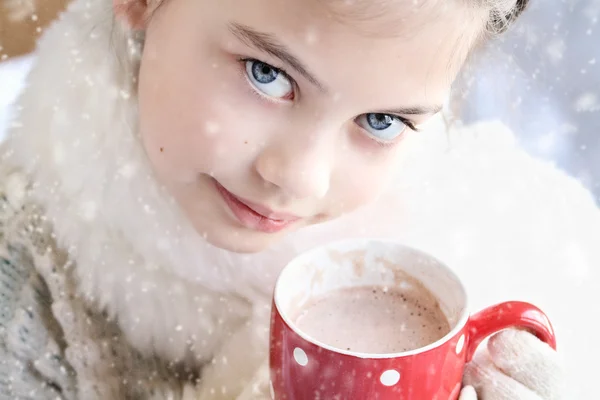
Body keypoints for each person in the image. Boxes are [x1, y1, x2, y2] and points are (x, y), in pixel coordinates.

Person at [2, 0, 597, 398]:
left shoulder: (481, 224)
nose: (301, 180)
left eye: (382, 120)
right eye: (266, 73)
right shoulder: (24, 294)